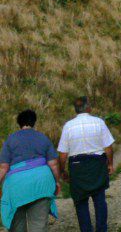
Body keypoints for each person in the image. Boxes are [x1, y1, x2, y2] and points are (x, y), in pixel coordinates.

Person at [57, 97, 114, 232]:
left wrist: (62, 171)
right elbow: (108, 148)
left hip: (77, 167)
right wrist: (110, 164)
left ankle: (86, 229)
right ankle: (101, 229)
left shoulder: (68, 126)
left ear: (76, 110)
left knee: (80, 202)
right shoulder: (99, 122)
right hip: (97, 164)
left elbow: (63, 154)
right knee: (99, 199)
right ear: (88, 108)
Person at [0, 110, 59, 232]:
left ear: (19, 123)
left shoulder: (10, 140)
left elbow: (3, 167)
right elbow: (53, 164)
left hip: (16, 187)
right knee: (38, 225)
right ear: (34, 122)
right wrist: (57, 182)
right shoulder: (43, 138)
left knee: (16, 226)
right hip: (42, 183)